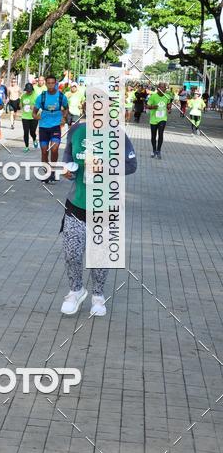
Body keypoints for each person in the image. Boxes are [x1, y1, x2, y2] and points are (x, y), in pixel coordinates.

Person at [60, 118, 137, 316]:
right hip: (76, 203)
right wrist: (67, 169)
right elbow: (68, 155)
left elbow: (131, 164)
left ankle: (98, 296)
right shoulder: (76, 129)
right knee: (72, 253)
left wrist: (105, 167)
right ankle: (76, 291)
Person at [33, 73, 69, 184]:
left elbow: (66, 109)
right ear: (46, 84)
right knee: (44, 152)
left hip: (55, 127)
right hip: (43, 127)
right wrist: (36, 116)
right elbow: (34, 112)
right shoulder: (41, 97)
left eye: (52, 83)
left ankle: (52, 171)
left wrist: (64, 117)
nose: (50, 85)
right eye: (48, 83)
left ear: (56, 84)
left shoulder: (61, 96)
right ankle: (47, 173)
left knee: (54, 149)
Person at [146, 81, 172, 159]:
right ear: (158, 89)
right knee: (153, 136)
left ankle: (159, 150)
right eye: (161, 87)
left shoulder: (167, 96)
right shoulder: (153, 96)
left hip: (163, 118)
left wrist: (169, 108)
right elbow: (147, 106)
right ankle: (154, 150)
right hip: (153, 119)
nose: (162, 89)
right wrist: (152, 107)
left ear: (165, 89)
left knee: (161, 134)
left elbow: (168, 105)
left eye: (164, 88)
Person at [20, 82, 38, 151]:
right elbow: (21, 105)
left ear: (32, 90)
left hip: (34, 116)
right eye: (27, 90)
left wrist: (34, 107)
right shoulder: (23, 96)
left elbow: (39, 106)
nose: (28, 92)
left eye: (29, 91)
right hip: (25, 116)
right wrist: (21, 106)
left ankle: (34, 139)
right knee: (26, 132)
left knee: (32, 132)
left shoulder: (36, 96)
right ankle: (26, 146)